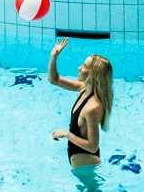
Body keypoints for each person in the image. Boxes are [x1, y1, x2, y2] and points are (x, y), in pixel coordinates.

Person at [48, 37, 113, 172]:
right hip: (83, 162)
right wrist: (54, 57)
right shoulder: (85, 88)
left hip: (86, 163)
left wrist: (66, 134)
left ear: (93, 74)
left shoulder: (92, 108)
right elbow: (54, 79)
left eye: (84, 66)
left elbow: (93, 146)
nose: (79, 68)